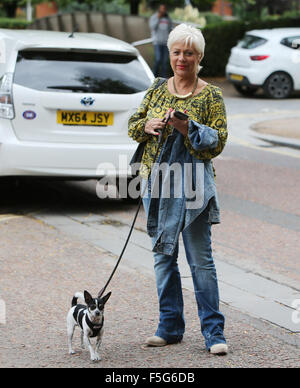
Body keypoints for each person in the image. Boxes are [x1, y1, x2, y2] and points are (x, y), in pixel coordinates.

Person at [128, 24, 228, 355]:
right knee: (163, 258)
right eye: (176, 52)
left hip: (194, 188)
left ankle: (214, 333)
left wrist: (189, 128)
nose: (181, 58)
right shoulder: (156, 89)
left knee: (200, 260)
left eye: (189, 53)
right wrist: (146, 126)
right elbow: (133, 125)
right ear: (169, 55)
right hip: (156, 183)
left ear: (199, 56)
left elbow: (217, 143)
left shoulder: (211, 95)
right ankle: (169, 327)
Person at [149, 4, 173, 78]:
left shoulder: (168, 18)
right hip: (157, 42)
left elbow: (170, 28)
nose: (163, 10)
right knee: (158, 59)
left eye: (164, 9)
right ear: (159, 9)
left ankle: (164, 79)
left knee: (165, 61)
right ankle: (153, 77)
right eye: (161, 9)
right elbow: (152, 27)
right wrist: (158, 19)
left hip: (165, 42)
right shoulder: (154, 17)